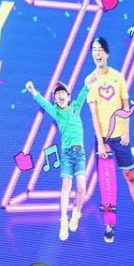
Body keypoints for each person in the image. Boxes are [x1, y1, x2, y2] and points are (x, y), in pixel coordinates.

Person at [87, 36, 134, 243]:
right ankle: (109, 225)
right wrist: (100, 142)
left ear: (106, 53)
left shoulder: (118, 77)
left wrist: (126, 133)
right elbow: (94, 114)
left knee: (130, 177)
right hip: (104, 139)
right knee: (107, 183)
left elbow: (125, 106)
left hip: (121, 137)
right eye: (94, 49)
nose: (97, 53)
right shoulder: (90, 81)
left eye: (100, 49)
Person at [26, 75, 96, 241]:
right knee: (66, 185)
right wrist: (33, 91)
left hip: (79, 153)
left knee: (82, 187)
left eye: (62, 92)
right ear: (55, 99)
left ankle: (76, 213)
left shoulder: (75, 107)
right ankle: (63, 220)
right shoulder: (56, 113)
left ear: (68, 96)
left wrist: (89, 83)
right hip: (66, 154)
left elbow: (83, 92)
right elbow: (44, 103)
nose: (60, 95)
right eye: (57, 94)